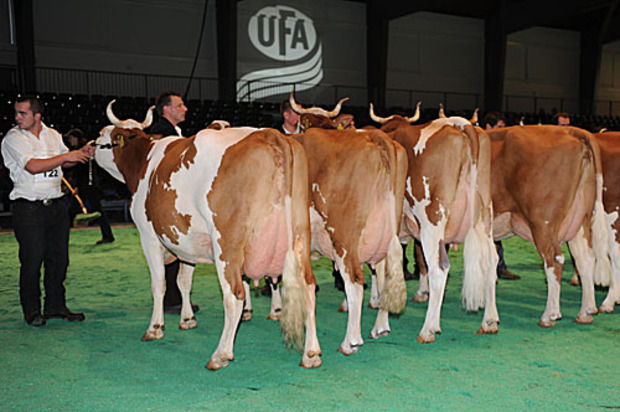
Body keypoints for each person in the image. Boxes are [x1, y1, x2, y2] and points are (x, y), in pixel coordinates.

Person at [1, 95, 96, 326]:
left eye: (22, 113)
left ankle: (55, 306)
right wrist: (66, 155)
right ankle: (32, 311)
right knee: (32, 260)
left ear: (37, 115)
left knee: (59, 260)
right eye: (16, 112)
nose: (17, 117)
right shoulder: (13, 138)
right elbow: (33, 166)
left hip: (56, 205)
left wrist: (81, 153)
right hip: (28, 208)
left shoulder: (52, 134)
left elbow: (65, 163)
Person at [144, 91, 199, 314]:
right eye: (179, 105)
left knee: (174, 249)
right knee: (170, 248)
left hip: (176, 193)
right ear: (166, 109)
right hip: (166, 195)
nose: (185, 109)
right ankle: (170, 299)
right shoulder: (159, 132)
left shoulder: (175, 131)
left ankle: (174, 297)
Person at [483, 111, 520, 280]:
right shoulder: (480, 144)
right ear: (488, 127)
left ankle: (499, 267)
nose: (502, 131)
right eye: (499, 127)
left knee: (496, 233)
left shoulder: (500, 148)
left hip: (497, 193)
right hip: (481, 194)